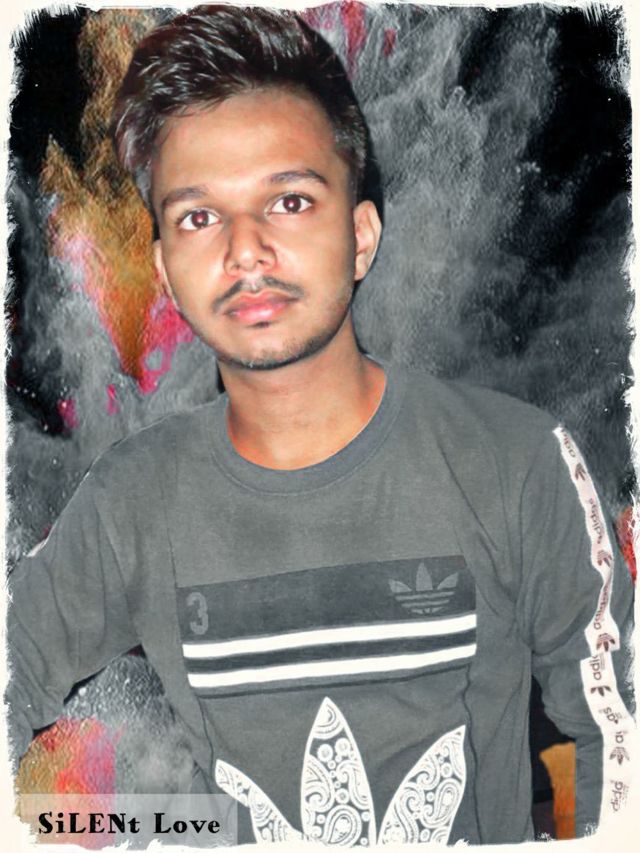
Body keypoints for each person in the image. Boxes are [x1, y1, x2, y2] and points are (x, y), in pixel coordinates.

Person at [6, 5, 633, 845]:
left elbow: (603, 751)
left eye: (290, 200)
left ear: (361, 236)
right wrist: (153, 828)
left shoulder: (516, 464)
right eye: (198, 217)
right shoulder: (131, 503)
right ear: (165, 269)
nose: (245, 250)